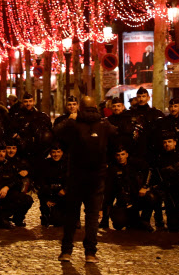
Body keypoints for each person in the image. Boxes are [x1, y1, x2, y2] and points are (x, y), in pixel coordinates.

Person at [55, 96, 117, 263]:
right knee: (92, 216)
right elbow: (117, 136)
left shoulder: (74, 123)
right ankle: (90, 252)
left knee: (71, 215)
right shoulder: (104, 125)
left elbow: (56, 132)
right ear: (95, 106)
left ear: (80, 108)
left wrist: (70, 119)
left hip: (76, 176)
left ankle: (66, 251)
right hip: (96, 177)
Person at [100, 146, 155, 232]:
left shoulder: (136, 164)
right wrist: (105, 219)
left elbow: (149, 170)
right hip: (123, 202)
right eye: (118, 155)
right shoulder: (112, 170)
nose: (120, 157)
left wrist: (145, 186)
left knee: (151, 197)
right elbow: (109, 194)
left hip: (137, 197)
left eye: (123, 154)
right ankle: (136, 222)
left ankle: (145, 221)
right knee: (119, 224)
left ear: (127, 155)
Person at [10, 92, 53, 166]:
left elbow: (49, 133)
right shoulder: (16, 117)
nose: (28, 104)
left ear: (34, 102)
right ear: (22, 102)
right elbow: (11, 131)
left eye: (30, 101)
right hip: (22, 152)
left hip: (38, 151)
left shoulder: (41, 116)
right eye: (26, 101)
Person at [36, 144, 67, 227]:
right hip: (49, 195)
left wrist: (65, 190)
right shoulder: (45, 165)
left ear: (62, 153)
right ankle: (46, 214)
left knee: (59, 222)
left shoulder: (67, 165)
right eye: (53, 152)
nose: (56, 154)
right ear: (50, 153)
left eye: (58, 152)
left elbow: (71, 181)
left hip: (62, 196)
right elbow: (41, 184)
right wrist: (47, 200)